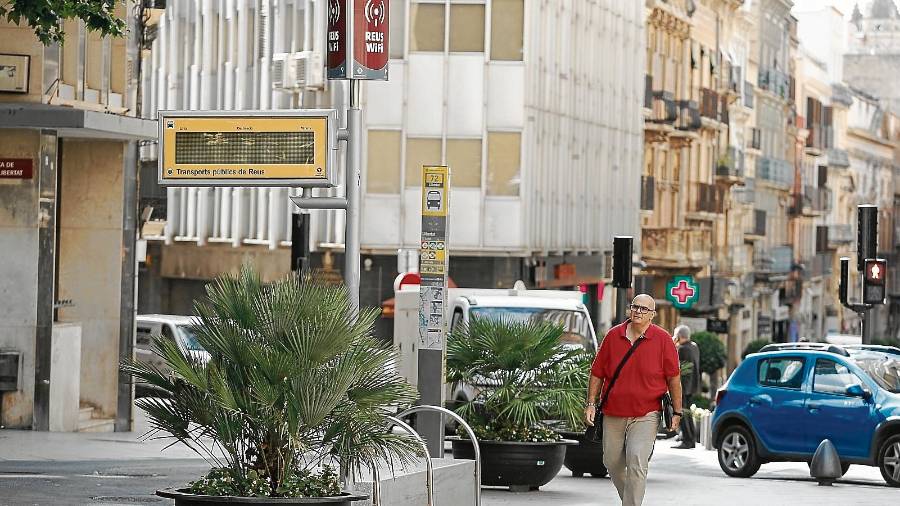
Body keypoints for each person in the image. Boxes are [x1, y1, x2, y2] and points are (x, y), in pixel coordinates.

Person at [585, 294, 682, 506]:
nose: (638, 311)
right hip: (613, 412)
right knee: (611, 462)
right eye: (635, 307)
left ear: (652, 315)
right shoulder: (613, 336)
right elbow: (597, 372)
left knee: (637, 462)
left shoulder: (663, 339)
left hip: (646, 413)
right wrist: (591, 403)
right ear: (630, 310)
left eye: (644, 309)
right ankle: (630, 500)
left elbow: (673, 378)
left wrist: (677, 411)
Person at [672, 325, 700, 449]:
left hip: (682, 387)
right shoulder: (694, 346)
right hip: (692, 386)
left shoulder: (682, 349)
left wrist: (673, 345)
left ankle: (687, 441)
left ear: (679, 336)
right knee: (687, 413)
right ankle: (690, 439)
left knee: (682, 413)